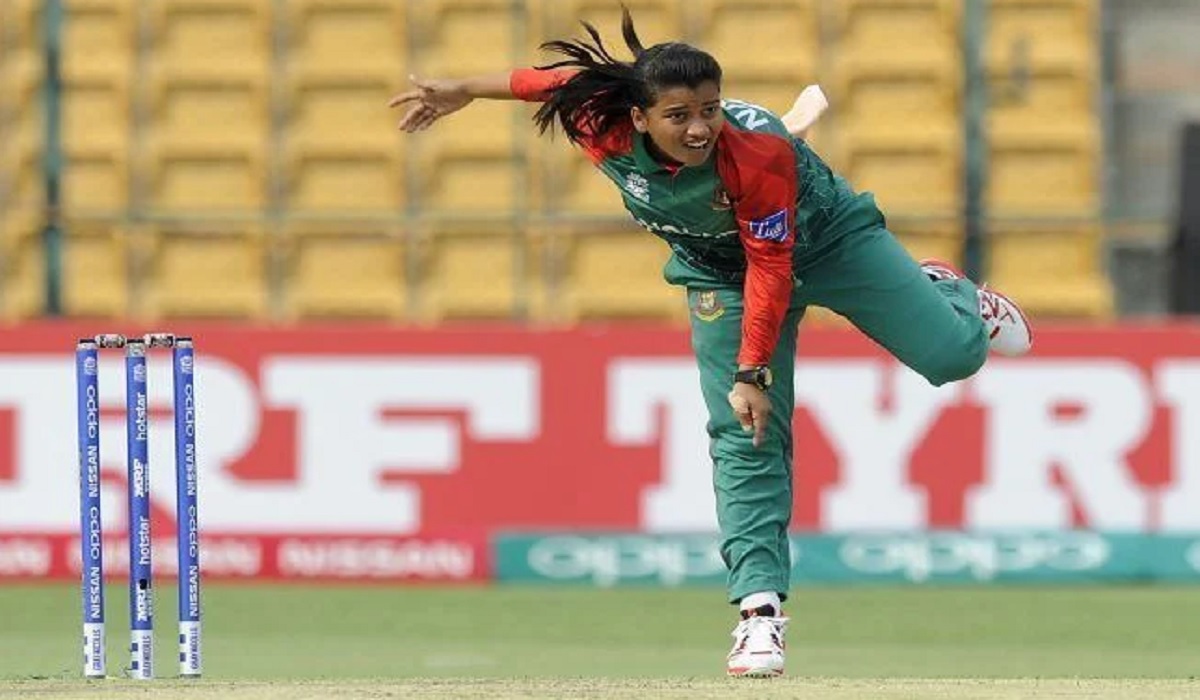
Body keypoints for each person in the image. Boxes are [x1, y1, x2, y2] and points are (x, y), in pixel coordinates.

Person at [388, 8, 1031, 678]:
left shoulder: (756, 152)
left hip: (827, 241)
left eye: (709, 110)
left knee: (955, 356)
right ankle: (759, 614)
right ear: (637, 118)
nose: (698, 128)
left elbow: (772, 266)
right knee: (744, 435)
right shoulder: (598, 120)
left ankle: (947, 291)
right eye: (678, 116)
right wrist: (462, 88)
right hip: (718, 273)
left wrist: (752, 371)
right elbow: (542, 82)